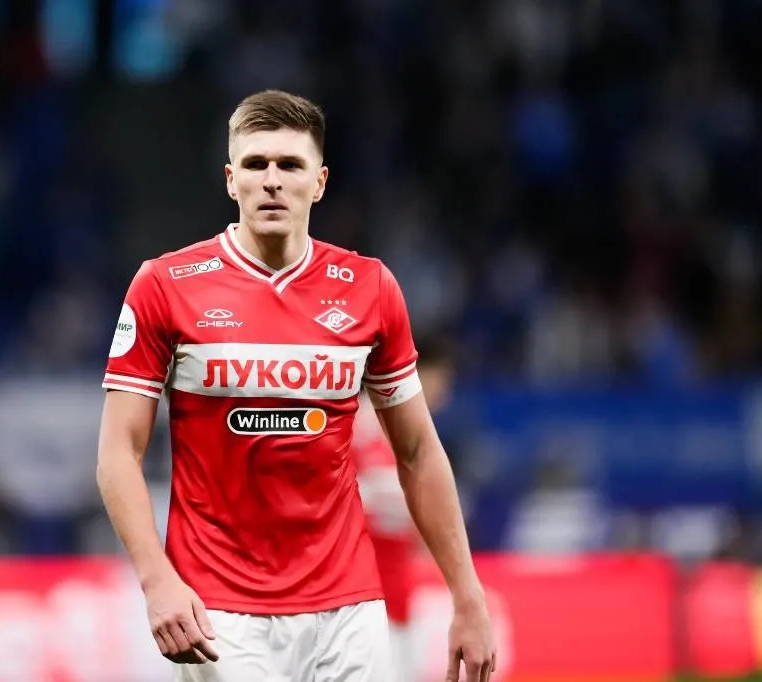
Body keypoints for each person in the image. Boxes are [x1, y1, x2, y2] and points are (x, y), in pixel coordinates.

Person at [96, 89, 495, 682]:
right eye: (255, 164)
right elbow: (117, 453)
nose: (272, 181)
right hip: (220, 610)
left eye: (290, 165)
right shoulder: (165, 286)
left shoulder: (370, 288)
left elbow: (417, 451)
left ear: (320, 181)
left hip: (351, 607)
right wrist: (158, 580)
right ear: (231, 180)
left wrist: (467, 595)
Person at [350, 336, 456, 682]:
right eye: (441, 381)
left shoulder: (415, 436)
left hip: (398, 591)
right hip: (358, 595)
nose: (444, 394)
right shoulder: (356, 423)